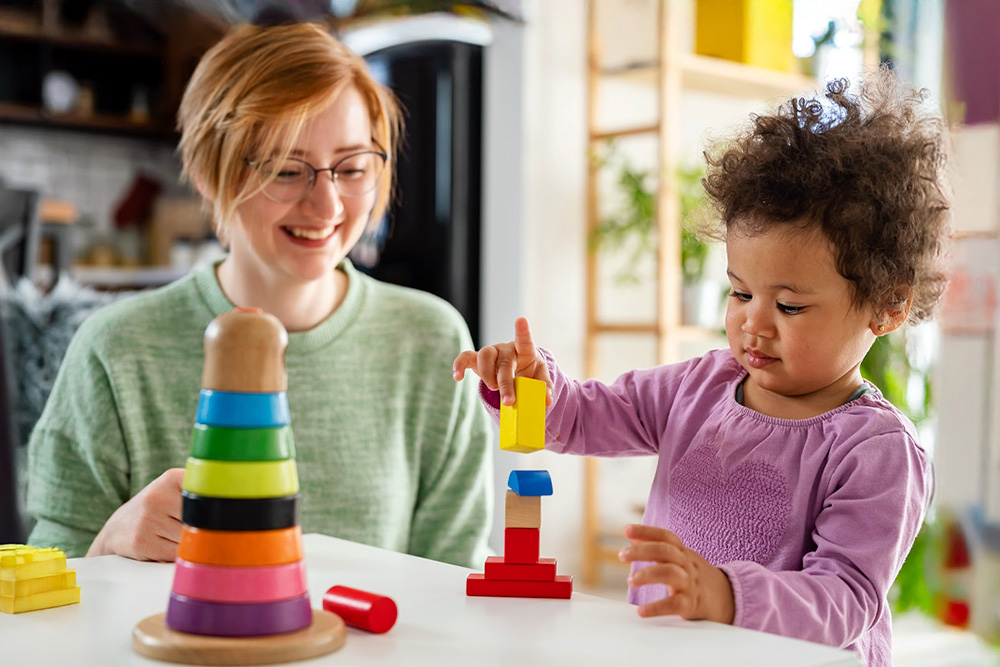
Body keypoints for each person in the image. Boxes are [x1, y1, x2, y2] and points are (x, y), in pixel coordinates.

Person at [454, 69, 949, 667]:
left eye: (789, 305)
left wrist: (725, 594)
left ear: (887, 305)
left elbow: (845, 600)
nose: (753, 325)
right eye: (740, 294)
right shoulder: (699, 386)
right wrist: (532, 389)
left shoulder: (875, 450)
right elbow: (587, 416)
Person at [26, 22, 493, 568]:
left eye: (352, 168)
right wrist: (109, 543)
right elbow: (45, 587)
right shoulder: (116, 348)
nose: (328, 207)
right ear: (205, 171)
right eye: (286, 170)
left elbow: (453, 575)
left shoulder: (432, 339)